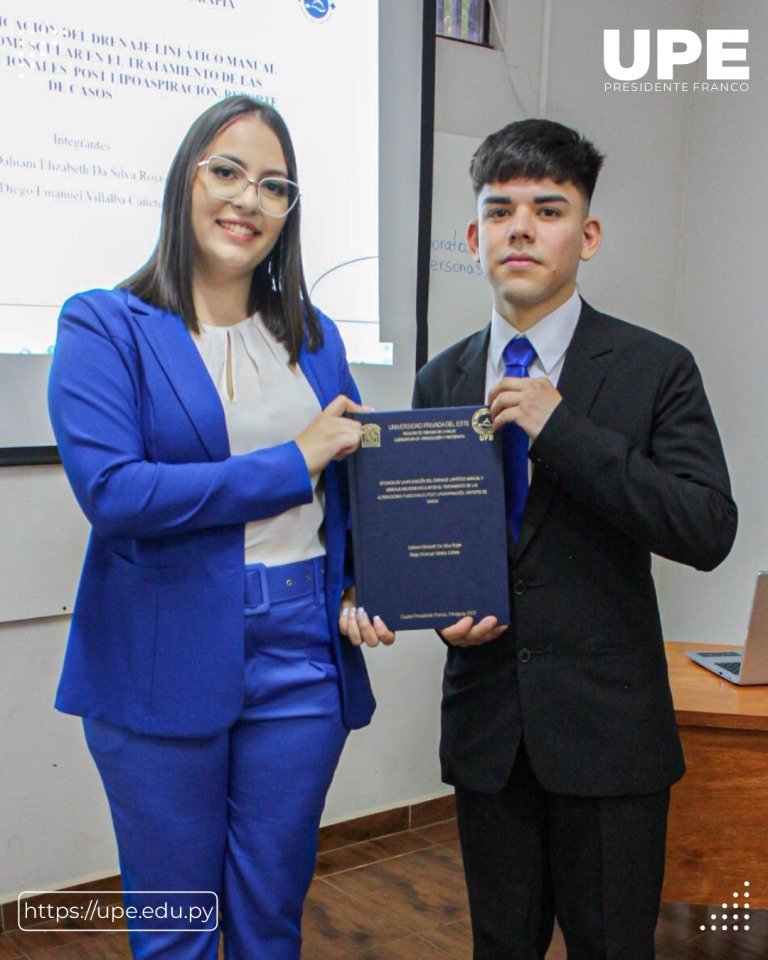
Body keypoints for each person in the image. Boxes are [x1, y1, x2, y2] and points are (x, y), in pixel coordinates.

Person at [48, 94, 393, 960]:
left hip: (302, 654)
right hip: (161, 647)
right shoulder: (105, 325)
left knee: (270, 919)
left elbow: (344, 493)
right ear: (186, 182)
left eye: (274, 187)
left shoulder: (315, 341)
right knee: (176, 934)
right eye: (228, 172)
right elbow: (117, 496)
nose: (248, 200)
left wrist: (362, 586)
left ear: (289, 213)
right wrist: (291, 462)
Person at [411, 119, 737, 959]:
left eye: (547, 209)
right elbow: (431, 537)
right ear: (474, 234)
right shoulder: (441, 378)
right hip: (488, 733)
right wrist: (438, 606)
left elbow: (705, 528)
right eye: (500, 208)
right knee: (500, 947)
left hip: (609, 740)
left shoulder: (655, 368)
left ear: (586, 236)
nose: (521, 227)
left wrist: (563, 428)